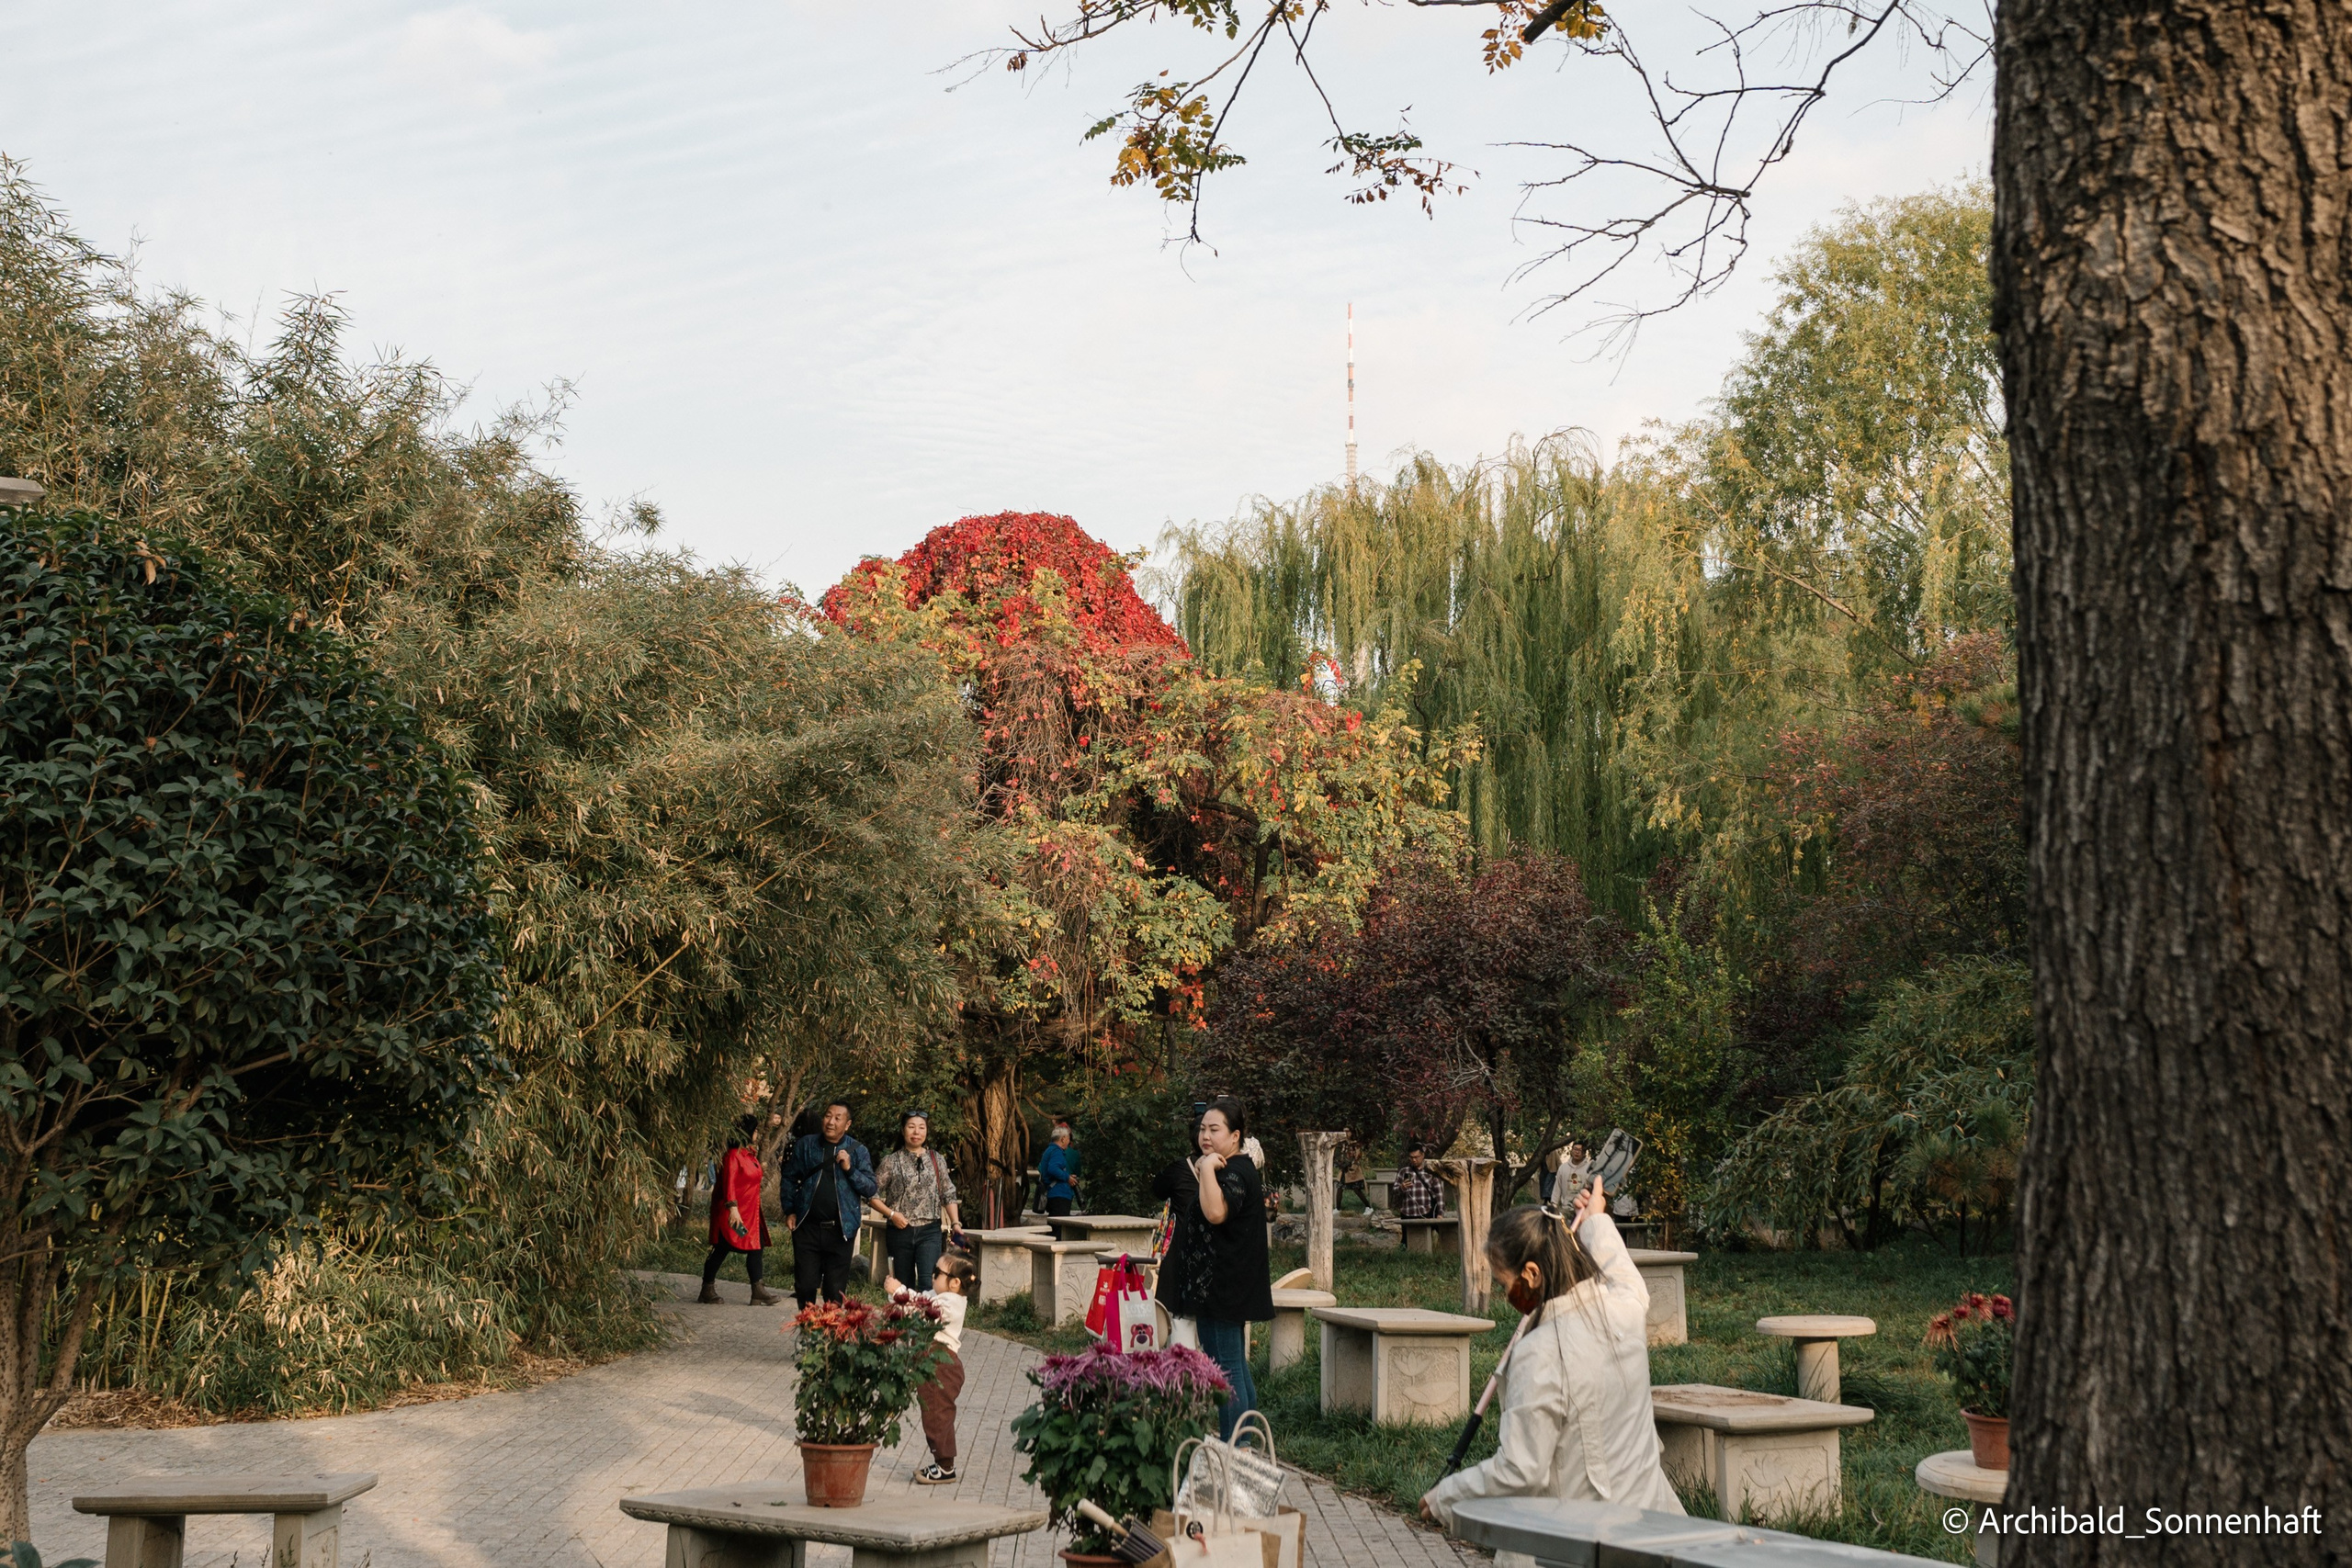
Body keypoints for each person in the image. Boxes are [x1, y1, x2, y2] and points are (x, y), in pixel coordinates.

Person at [1419, 1179, 1682, 1559]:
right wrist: (1596, 1219)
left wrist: (1448, 1494)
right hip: (1650, 1527)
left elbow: (1520, 1470)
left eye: (1502, 1282)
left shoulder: (1539, 1353)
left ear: (1531, 1275)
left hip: (1576, 1540)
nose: (1504, 1293)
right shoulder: (1626, 1308)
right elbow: (1617, 1264)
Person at [1178, 1097, 1274, 1439]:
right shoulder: (1232, 1167)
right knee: (1235, 1370)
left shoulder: (1232, 1171)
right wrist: (1206, 1167)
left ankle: (1236, 1449)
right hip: (1224, 1285)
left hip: (1222, 1287)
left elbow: (1216, 1213)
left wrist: (1204, 1170)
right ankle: (1244, 1443)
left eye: (1215, 1129)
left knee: (1226, 1372)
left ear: (1235, 1136)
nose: (1206, 1136)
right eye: (1203, 1128)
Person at [777, 1100, 876, 1308]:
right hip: (807, 1227)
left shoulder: (858, 1151)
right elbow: (788, 1178)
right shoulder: (806, 1145)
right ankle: (808, 1331)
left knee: (834, 1290)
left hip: (841, 1230)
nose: (831, 1122)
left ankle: (829, 1336)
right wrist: (789, 1210)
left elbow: (870, 1188)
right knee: (805, 1286)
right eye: (828, 1116)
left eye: (837, 1118)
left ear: (847, 1124)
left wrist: (849, 1169)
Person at [876, 1110, 963, 1293]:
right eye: (911, 1127)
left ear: (926, 1131)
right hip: (900, 1231)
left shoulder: (936, 1159)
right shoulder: (891, 1161)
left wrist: (955, 1223)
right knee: (901, 1285)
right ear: (902, 1130)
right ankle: (904, 1321)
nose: (916, 1132)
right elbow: (870, 1194)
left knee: (930, 1283)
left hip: (930, 1231)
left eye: (921, 1127)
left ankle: (928, 1320)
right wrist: (891, 1214)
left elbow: (948, 1192)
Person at [700, 1115, 782, 1305]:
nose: (757, 1134)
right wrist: (733, 1209)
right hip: (733, 1212)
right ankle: (707, 1288)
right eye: (755, 1130)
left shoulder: (748, 1155)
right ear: (746, 1132)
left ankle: (757, 1290)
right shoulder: (732, 1156)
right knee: (721, 1248)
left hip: (751, 1213)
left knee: (757, 1247)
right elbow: (728, 1184)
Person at [908, 1251, 974, 1484]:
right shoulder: (942, 1296)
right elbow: (920, 1299)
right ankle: (941, 1463)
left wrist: (898, 1292)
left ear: (955, 1283)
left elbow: (923, 1309)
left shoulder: (951, 1303)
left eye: (937, 1273)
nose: (932, 1276)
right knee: (933, 1414)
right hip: (934, 1363)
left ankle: (946, 1467)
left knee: (938, 1415)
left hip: (941, 1366)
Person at [1393, 1143, 1446, 1220]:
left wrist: (1440, 1213)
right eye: (1411, 1157)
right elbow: (1394, 1190)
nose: (1414, 1160)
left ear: (1423, 1155)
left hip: (1426, 1212)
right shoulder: (1404, 1171)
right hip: (1407, 1213)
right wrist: (1402, 1187)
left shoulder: (1431, 1171)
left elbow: (1439, 1194)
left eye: (1416, 1157)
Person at [1038, 1122, 1080, 1216]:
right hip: (1059, 1195)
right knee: (1059, 1228)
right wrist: (1067, 1178)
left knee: (1055, 1226)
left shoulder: (1049, 1150)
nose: (1069, 1142)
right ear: (1063, 1139)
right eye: (1068, 1139)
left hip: (1052, 1193)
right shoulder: (1057, 1151)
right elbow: (1053, 1169)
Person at [1337, 1140, 1371, 1212]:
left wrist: (1351, 1165)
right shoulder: (1344, 1144)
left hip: (1353, 1171)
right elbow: (1341, 1155)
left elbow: (1357, 1157)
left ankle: (1368, 1207)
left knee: (1357, 1190)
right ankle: (1337, 1208)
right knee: (1339, 1189)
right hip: (1344, 1171)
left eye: (1348, 1131)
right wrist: (1341, 1164)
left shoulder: (1355, 1144)